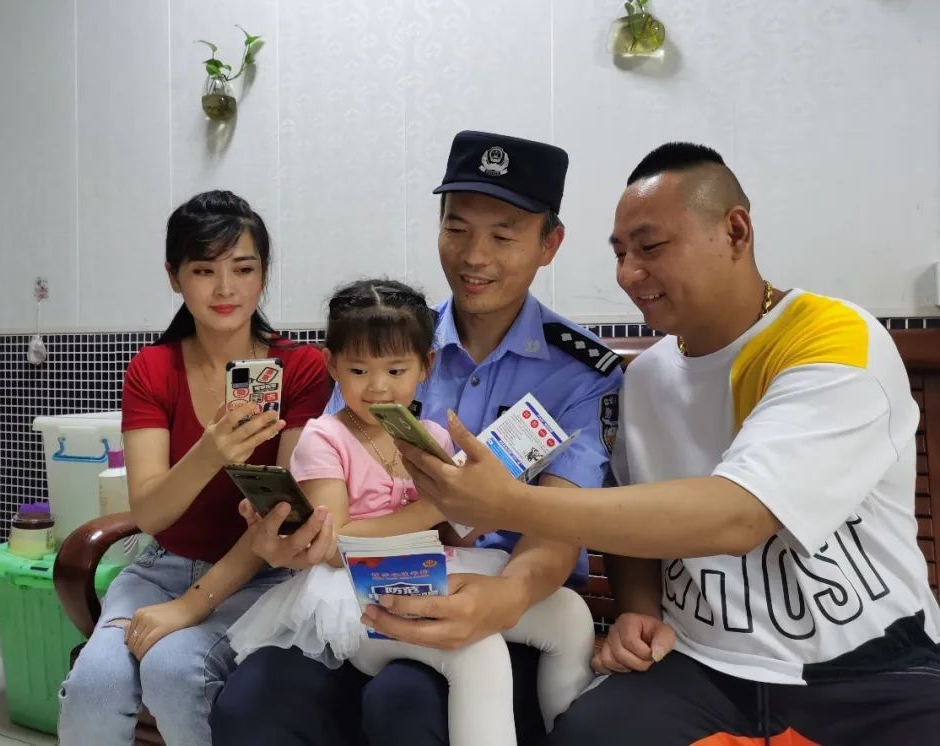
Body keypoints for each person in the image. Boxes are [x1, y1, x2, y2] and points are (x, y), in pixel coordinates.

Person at [396, 143, 940, 745]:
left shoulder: (833, 340)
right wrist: (639, 607)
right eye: (620, 253)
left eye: (650, 247)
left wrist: (503, 503)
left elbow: (739, 516)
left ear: (735, 231)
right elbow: (629, 512)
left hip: (868, 667)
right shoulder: (646, 377)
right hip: (699, 663)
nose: (629, 273)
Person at [212, 131, 623, 746]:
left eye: (503, 235)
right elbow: (332, 487)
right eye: (456, 228)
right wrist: (290, 537)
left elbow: (558, 529)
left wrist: (503, 596)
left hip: (511, 601)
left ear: (549, 244)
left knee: (405, 702)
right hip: (368, 588)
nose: (474, 255)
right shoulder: (386, 341)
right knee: (252, 701)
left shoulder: (581, 372)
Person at [225, 278, 593, 746]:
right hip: (357, 597)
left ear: (426, 366)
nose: (378, 386)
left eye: (396, 370)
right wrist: (434, 506)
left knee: (570, 614)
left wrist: (490, 503)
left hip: (431, 573)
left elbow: (453, 535)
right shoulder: (324, 438)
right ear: (332, 365)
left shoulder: (431, 437)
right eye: (359, 370)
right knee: (476, 651)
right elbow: (333, 546)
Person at [57, 191, 331, 746]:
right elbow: (150, 514)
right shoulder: (152, 369)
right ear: (174, 276)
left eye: (243, 269)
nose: (225, 288)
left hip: (262, 572)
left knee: (176, 671)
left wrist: (194, 603)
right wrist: (210, 453)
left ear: (263, 273)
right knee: (95, 685)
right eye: (204, 270)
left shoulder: (300, 368)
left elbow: (282, 516)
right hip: (162, 566)